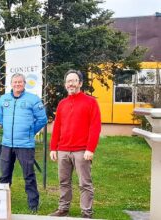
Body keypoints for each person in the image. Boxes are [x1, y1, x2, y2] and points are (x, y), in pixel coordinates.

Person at [49, 70, 101, 219]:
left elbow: (95, 127)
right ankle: (63, 209)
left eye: (74, 80)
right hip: (63, 150)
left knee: (85, 184)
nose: (71, 83)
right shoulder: (62, 103)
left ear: (80, 83)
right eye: (68, 81)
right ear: (65, 84)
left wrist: (90, 149)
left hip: (82, 151)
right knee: (63, 182)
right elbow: (57, 126)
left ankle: (86, 212)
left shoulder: (91, 102)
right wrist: (53, 147)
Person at [0, 73, 47, 212]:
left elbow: (42, 119)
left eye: (20, 82)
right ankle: (0, 202)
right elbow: (0, 119)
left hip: (25, 145)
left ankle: (33, 204)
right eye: (15, 82)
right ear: (11, 84)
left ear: (24, 83)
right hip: (7, 144)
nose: (17, 84)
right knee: (5, 175)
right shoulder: (3, 99)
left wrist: (30, 132)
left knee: (28, 175)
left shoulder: (33, 99)